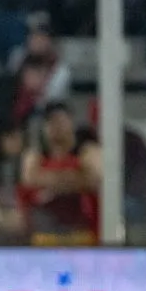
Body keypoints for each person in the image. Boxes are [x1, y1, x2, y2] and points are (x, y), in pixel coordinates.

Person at [19, 101, 102, 246]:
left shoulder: (88, 151)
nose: (56, 127)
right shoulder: (35, 155)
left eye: (60, 121)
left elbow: (93, 180)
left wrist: (49, 183)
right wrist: (73, 178)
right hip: (44, 235)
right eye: (50, 122)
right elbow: (29, 179)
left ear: (71, 122)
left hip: (83, 235)